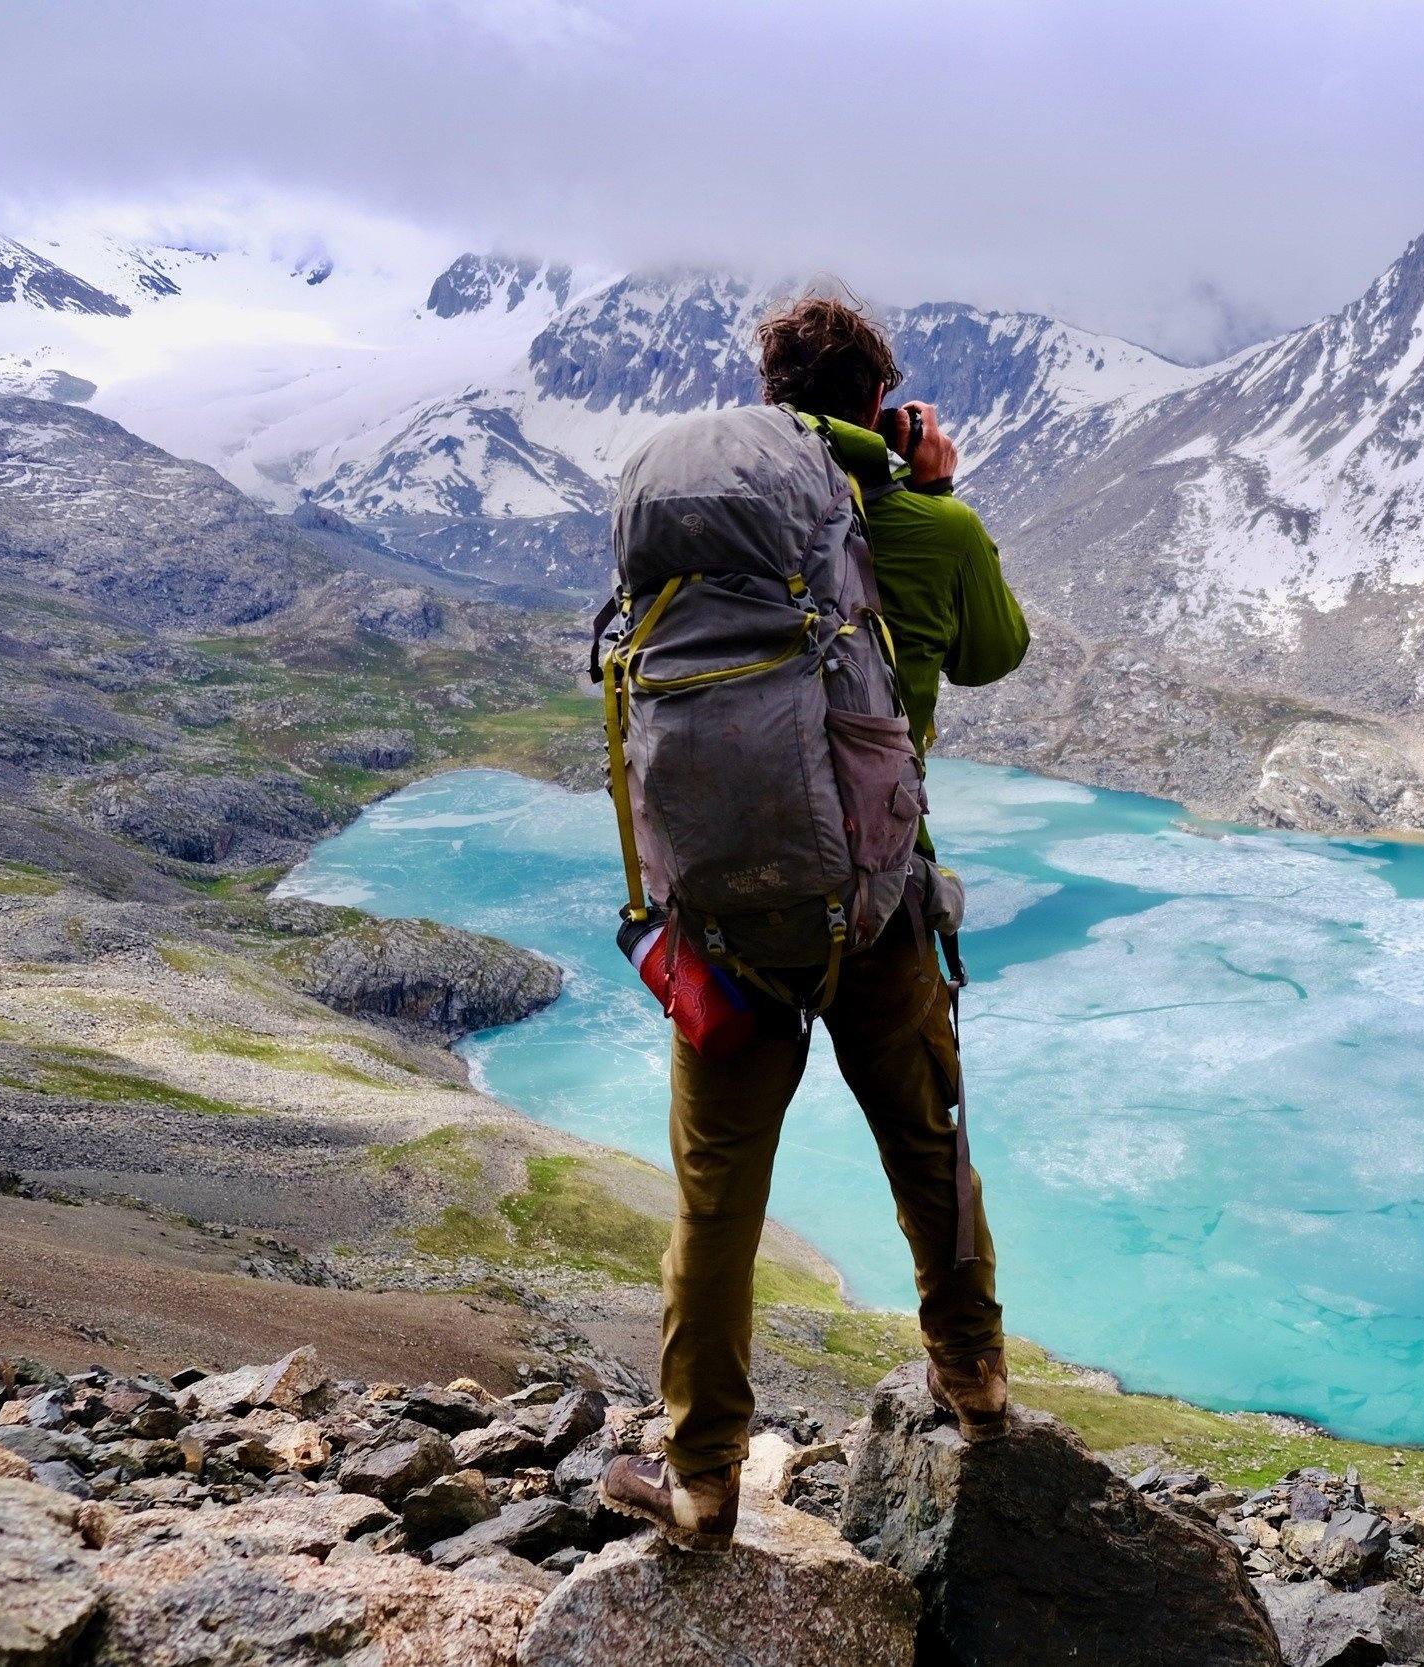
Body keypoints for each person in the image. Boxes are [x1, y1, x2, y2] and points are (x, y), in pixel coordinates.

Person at [601, 293, 1031, 1547]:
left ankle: (697, 1475)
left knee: (717, 1199)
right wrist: (935, 492)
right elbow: (997, 652)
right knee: (925, 1146)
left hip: (725, 929)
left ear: (770, 398)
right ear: (879, 403)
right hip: (882, 911)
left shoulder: (700, 536)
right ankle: (975, 1380)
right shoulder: (923, 526)